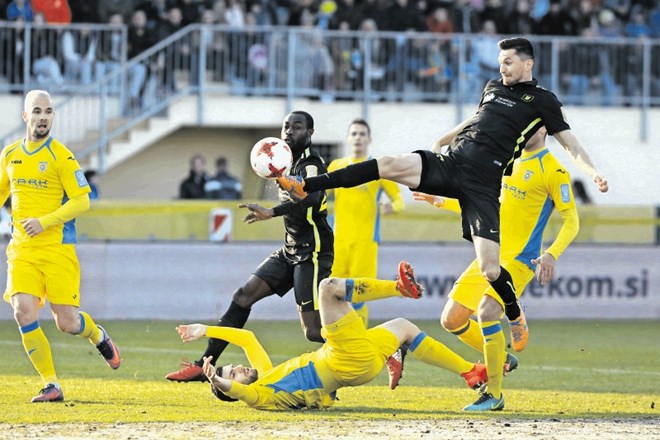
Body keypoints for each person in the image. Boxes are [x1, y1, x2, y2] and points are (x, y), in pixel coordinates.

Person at [278, 37, 608, 360]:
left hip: (483, 184)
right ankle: (307, 184)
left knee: (491, 269)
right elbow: (478, 119)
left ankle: (513, 311)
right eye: (500, 62)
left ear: (527, 63)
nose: (502, 68)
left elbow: (571, 144)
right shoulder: (493, 86)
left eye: (508, 62)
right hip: (452, 164)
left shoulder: (542, 100)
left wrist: (592, 172)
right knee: (389, 164)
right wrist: (446, 136)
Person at [414, 125, 580, 411]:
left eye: (532, 123)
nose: (524, 128)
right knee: (451, 320)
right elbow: (489, 205)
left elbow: (572, 221)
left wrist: (552, 254)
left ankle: (494, 394)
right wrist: (442, 201)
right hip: (491, 253)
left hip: (520, 259)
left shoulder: (554, 170)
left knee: (487, 311)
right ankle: (502, 359)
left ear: (543, 128)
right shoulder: (507, 161)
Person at [174, 261, 488, 409]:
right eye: (235, 375)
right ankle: (398, 288)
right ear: (234, 390)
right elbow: (238, 391)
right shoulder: (260, 396)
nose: (239, 370)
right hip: (342, 360)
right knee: (328, 289)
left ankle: (470, 373)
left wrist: (206, 330)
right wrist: (217, 380)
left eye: (234, 367)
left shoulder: (266, 374)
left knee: (405, 327)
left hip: (352, 365)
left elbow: (249, 339)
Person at [166, 111, 334, 383]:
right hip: (291, 248)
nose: (289, 131)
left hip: (313, 250)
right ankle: (202, 366)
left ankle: (367, 348)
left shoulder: (311, 163)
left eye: (297, 127)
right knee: (243, 296)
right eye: (286, 126)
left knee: (313, 330)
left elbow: (312, 199)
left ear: (310, 133)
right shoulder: (281, 161)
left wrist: (272, 212)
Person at [0, 90, 121, 403]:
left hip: (57, 251)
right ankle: (50, 384)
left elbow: (82, 200)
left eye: (49, 112)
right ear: (26, 116)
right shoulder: (10, 154)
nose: (43, 117)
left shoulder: (61, 156)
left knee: (66, 323)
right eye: (37, 111)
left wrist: (45, 220)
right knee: (22, 312)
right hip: (22, 251)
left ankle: (97, 335)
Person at [328, 118, 404, 329]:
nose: (358, 138)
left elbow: (399, 200)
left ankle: (359, 338)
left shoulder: (377, 169)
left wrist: (392, 207)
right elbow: (321, 196)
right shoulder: (336, 166)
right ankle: (335, 341)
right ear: (347, 138)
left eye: (362, 134)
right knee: (331, 290)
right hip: (338, 240)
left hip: (366, 241)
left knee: (359, 293)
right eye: (354, 134)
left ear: (369, 139)